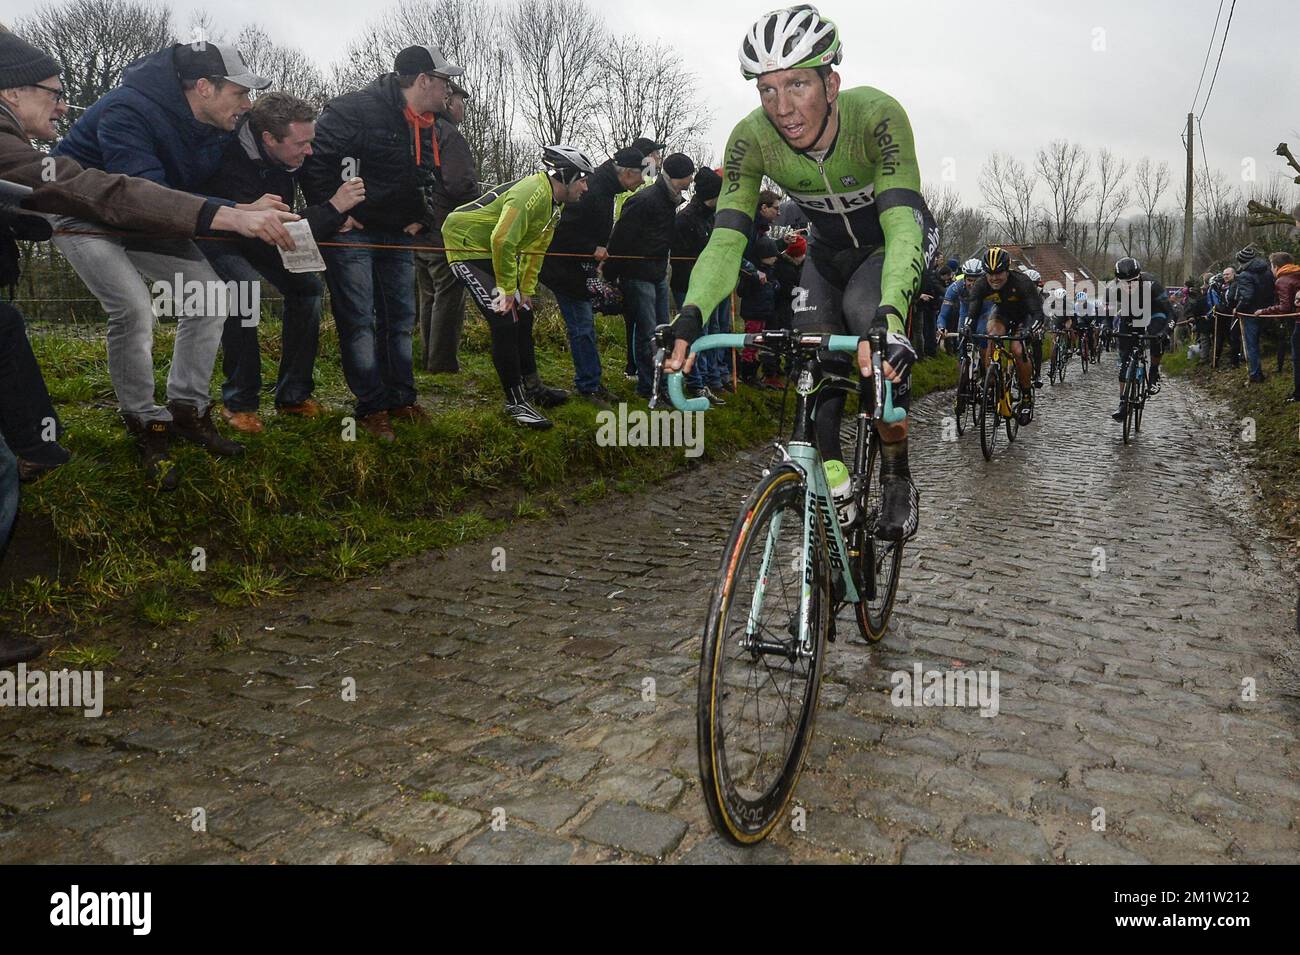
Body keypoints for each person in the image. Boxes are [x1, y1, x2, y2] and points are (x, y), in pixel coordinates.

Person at [667, 4, 937, 540]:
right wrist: (690, 315)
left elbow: (904, 224)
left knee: (867, 324)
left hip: (891, 243)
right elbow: (726, 238)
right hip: (826, 253)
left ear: (830, 83)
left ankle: (898, 478)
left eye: (796, 85)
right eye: (767, 90)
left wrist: (891, 315)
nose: (783, 107)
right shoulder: (752, 139)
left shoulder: (877, 116)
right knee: (813, 360)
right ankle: (836, 489)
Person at [8, 33, 297, 489]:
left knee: (211, 296)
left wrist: (240, 206)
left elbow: (176, 196)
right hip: (81, 209)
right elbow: (139, 193)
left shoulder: (219, 128)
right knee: (134, 307)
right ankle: (145, 423)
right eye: (240, 92)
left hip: (148, 214)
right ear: (205, 87)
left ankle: (188, 410)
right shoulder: (129, 110)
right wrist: (229, 214)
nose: (246, 103)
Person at [301, 45, 460, 441]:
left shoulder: (427, 122)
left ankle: (402, 398)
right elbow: (313, 160)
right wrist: (335, 213)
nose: (449, 90)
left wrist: (421, 218)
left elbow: (427, 177)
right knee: (359, 319)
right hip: (354, 234)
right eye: (444, 81)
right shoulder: (353, 109)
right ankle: (372, 407)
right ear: (423, 80)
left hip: (396, 235)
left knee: (401, 319)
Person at [200, 91, 365, 432]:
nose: (310, 151)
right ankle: (239, 402)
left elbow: (289, 214)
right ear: (269, 139)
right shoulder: (225, 151)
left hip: (264, 232)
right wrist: (333, 209)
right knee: (244, 289)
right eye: (301, 143)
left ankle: (293, 396)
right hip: (218, 236)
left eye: (312, 141)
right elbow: (271, 223)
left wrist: (335, 216)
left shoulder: (292, 156)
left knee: (307, 287)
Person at [443, 145, 595, 429]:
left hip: (489, 247)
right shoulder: (532, 193)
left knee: (523, 313)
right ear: (565, 176)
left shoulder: (554, 204)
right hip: (464, 244)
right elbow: (502, 240)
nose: (586, 187)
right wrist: (505, 291)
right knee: (504, 318)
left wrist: (525, 291)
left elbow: (536, 251)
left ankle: (533, 387)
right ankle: (516, 403)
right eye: (583, 179)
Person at [540, 145, 644, 407]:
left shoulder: (606, 188)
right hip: (564, 269)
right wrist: (592, 249)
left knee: (585, 327)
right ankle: (588, 386)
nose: (643, 181)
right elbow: (562, 231)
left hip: (579, 268)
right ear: (629, 172)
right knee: (582, 328)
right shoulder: (593, 190)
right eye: (641, 175)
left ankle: (593, 382)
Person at [607, 151, 696, 401]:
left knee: (662, 333)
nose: (690, 181)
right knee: (648, 334)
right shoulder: (645, 200)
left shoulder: (670, 200)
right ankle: (649, 387)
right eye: (688, 176)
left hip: (657, 273)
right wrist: (611, 273)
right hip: (638, 275)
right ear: (679, 177)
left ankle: (660, 385)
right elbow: (620, 238)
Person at [416, 79, 480, 374]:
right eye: (462, 102)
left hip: (420, 227)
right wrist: (480, 207)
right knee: (450, 293)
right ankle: (441, 364)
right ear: (449, 101)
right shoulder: (450, 135)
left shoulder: (420, 129)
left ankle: (428, 357)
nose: (464, 108)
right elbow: (459, 184)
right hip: (445, 229)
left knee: (428, 294)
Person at [669, 165, 727, 403]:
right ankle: (696, 382)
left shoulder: (711, 218)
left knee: (713, 331)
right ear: (712, 195)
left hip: (711, 285)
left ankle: (712, 378)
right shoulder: (685, 218)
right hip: (690, 287)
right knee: (696, 332)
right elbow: (680, 256)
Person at [963, 247, 1041, 419]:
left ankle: (1026, 398)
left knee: (1018, 349)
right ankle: (992, 379)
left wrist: (1030, 330)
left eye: (998, 273)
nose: (994, 278)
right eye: (990, 273)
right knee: (992, 334)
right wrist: (967, 326)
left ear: (1007, 271)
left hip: (1024, 317)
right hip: (1001, 314)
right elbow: (972, 312)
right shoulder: (982, 284)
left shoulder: (1022, 282)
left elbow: (1037, 314)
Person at [1109, 255, 1171, 422]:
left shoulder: (1152, 285)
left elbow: (1170, 312)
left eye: (1133, 281)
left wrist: (1165, 331)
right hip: (1132, 313)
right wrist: (1107, 329)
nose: (1129, 285)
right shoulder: (1113, 288)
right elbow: (1107, 311)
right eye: (1125, 282)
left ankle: (1154, 372)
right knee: (1124, 359)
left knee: (1155, 334)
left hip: (1155, 311)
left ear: (1140, 277)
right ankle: (1123, 403)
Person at [1253, 251, 1300, 401]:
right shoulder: (1297, 273)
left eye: (1271, 266)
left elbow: (1285, 307)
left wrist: (1264, 311)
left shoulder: (1282, 280)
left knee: (1297, 358)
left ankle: (1297, 393)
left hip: (1298, 321)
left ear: (1276, 266)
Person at [1234, 245, 1275, 384]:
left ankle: (1255, 374)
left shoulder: (1244, 275)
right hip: (1267, 311)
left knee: (1251, 345)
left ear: (1242, 262)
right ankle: (1257, 372)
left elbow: (1247, 297)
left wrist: (1237, 309)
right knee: (1256, 343)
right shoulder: (1268, 272)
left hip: (1250, 314)